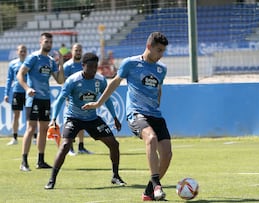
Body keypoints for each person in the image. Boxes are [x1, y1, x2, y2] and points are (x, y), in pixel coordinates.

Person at [82, 32, 172, 201]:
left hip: (155, 115)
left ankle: (148, 193)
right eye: (159, 50)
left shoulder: (162, 69)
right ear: (149, 47)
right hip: (136, 113)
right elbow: (114, 83)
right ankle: (157, 185)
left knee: (167, 155)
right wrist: (98, 104)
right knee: (151, 139)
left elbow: (158, 88)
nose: (161, 55)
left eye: (163, 51)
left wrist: (157, 102)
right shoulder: (130, 63)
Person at [44, 53, 126, 189]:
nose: (93, 70)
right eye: (90, 67)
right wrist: (53, 119)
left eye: (95, 67)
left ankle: (115, 176)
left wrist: (115, 117)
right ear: (83, 66)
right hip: (73, 118)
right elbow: (59, 100)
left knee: (114, 144)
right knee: (65, 146)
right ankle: (52, 179)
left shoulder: (100, 80)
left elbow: (107, 99)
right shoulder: (72, 80)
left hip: (92, 118)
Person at [17, 32, 65, 171]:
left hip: (45, 99)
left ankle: (40, 160)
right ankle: (24, 162)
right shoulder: (33, 58)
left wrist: (60, 62)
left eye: (50, 42)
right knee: (31, 128)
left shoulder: (50, 61)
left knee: (44, 129)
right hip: (33, 98)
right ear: (40, 42)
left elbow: (60, 80)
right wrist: (27, 88)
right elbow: (20, 74)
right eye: (46, 42)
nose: (48, 44)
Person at [4, 45, 38, 145]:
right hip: (17, 92)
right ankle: (14, 138)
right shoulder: (12, 64)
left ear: (26, 52)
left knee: (32, 116)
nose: (22, 53)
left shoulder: (30, 63)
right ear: (17, 52)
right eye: (21, 51)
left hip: (29, 92)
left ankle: (35, 138)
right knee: (16, 116)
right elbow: (9, 79)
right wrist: (6, 94)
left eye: (24, 51)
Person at [63, 43, 92, 155]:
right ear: (72, 51)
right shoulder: (67, 66)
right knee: (70, 123)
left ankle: (81, 146)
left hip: (83, 98)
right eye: (76, 50)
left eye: (80, 50)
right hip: (71, 99)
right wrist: (66, 97)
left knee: (82, 122)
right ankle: (70, 147)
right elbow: (64, 83)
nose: (78, 52)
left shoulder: (83, 65)